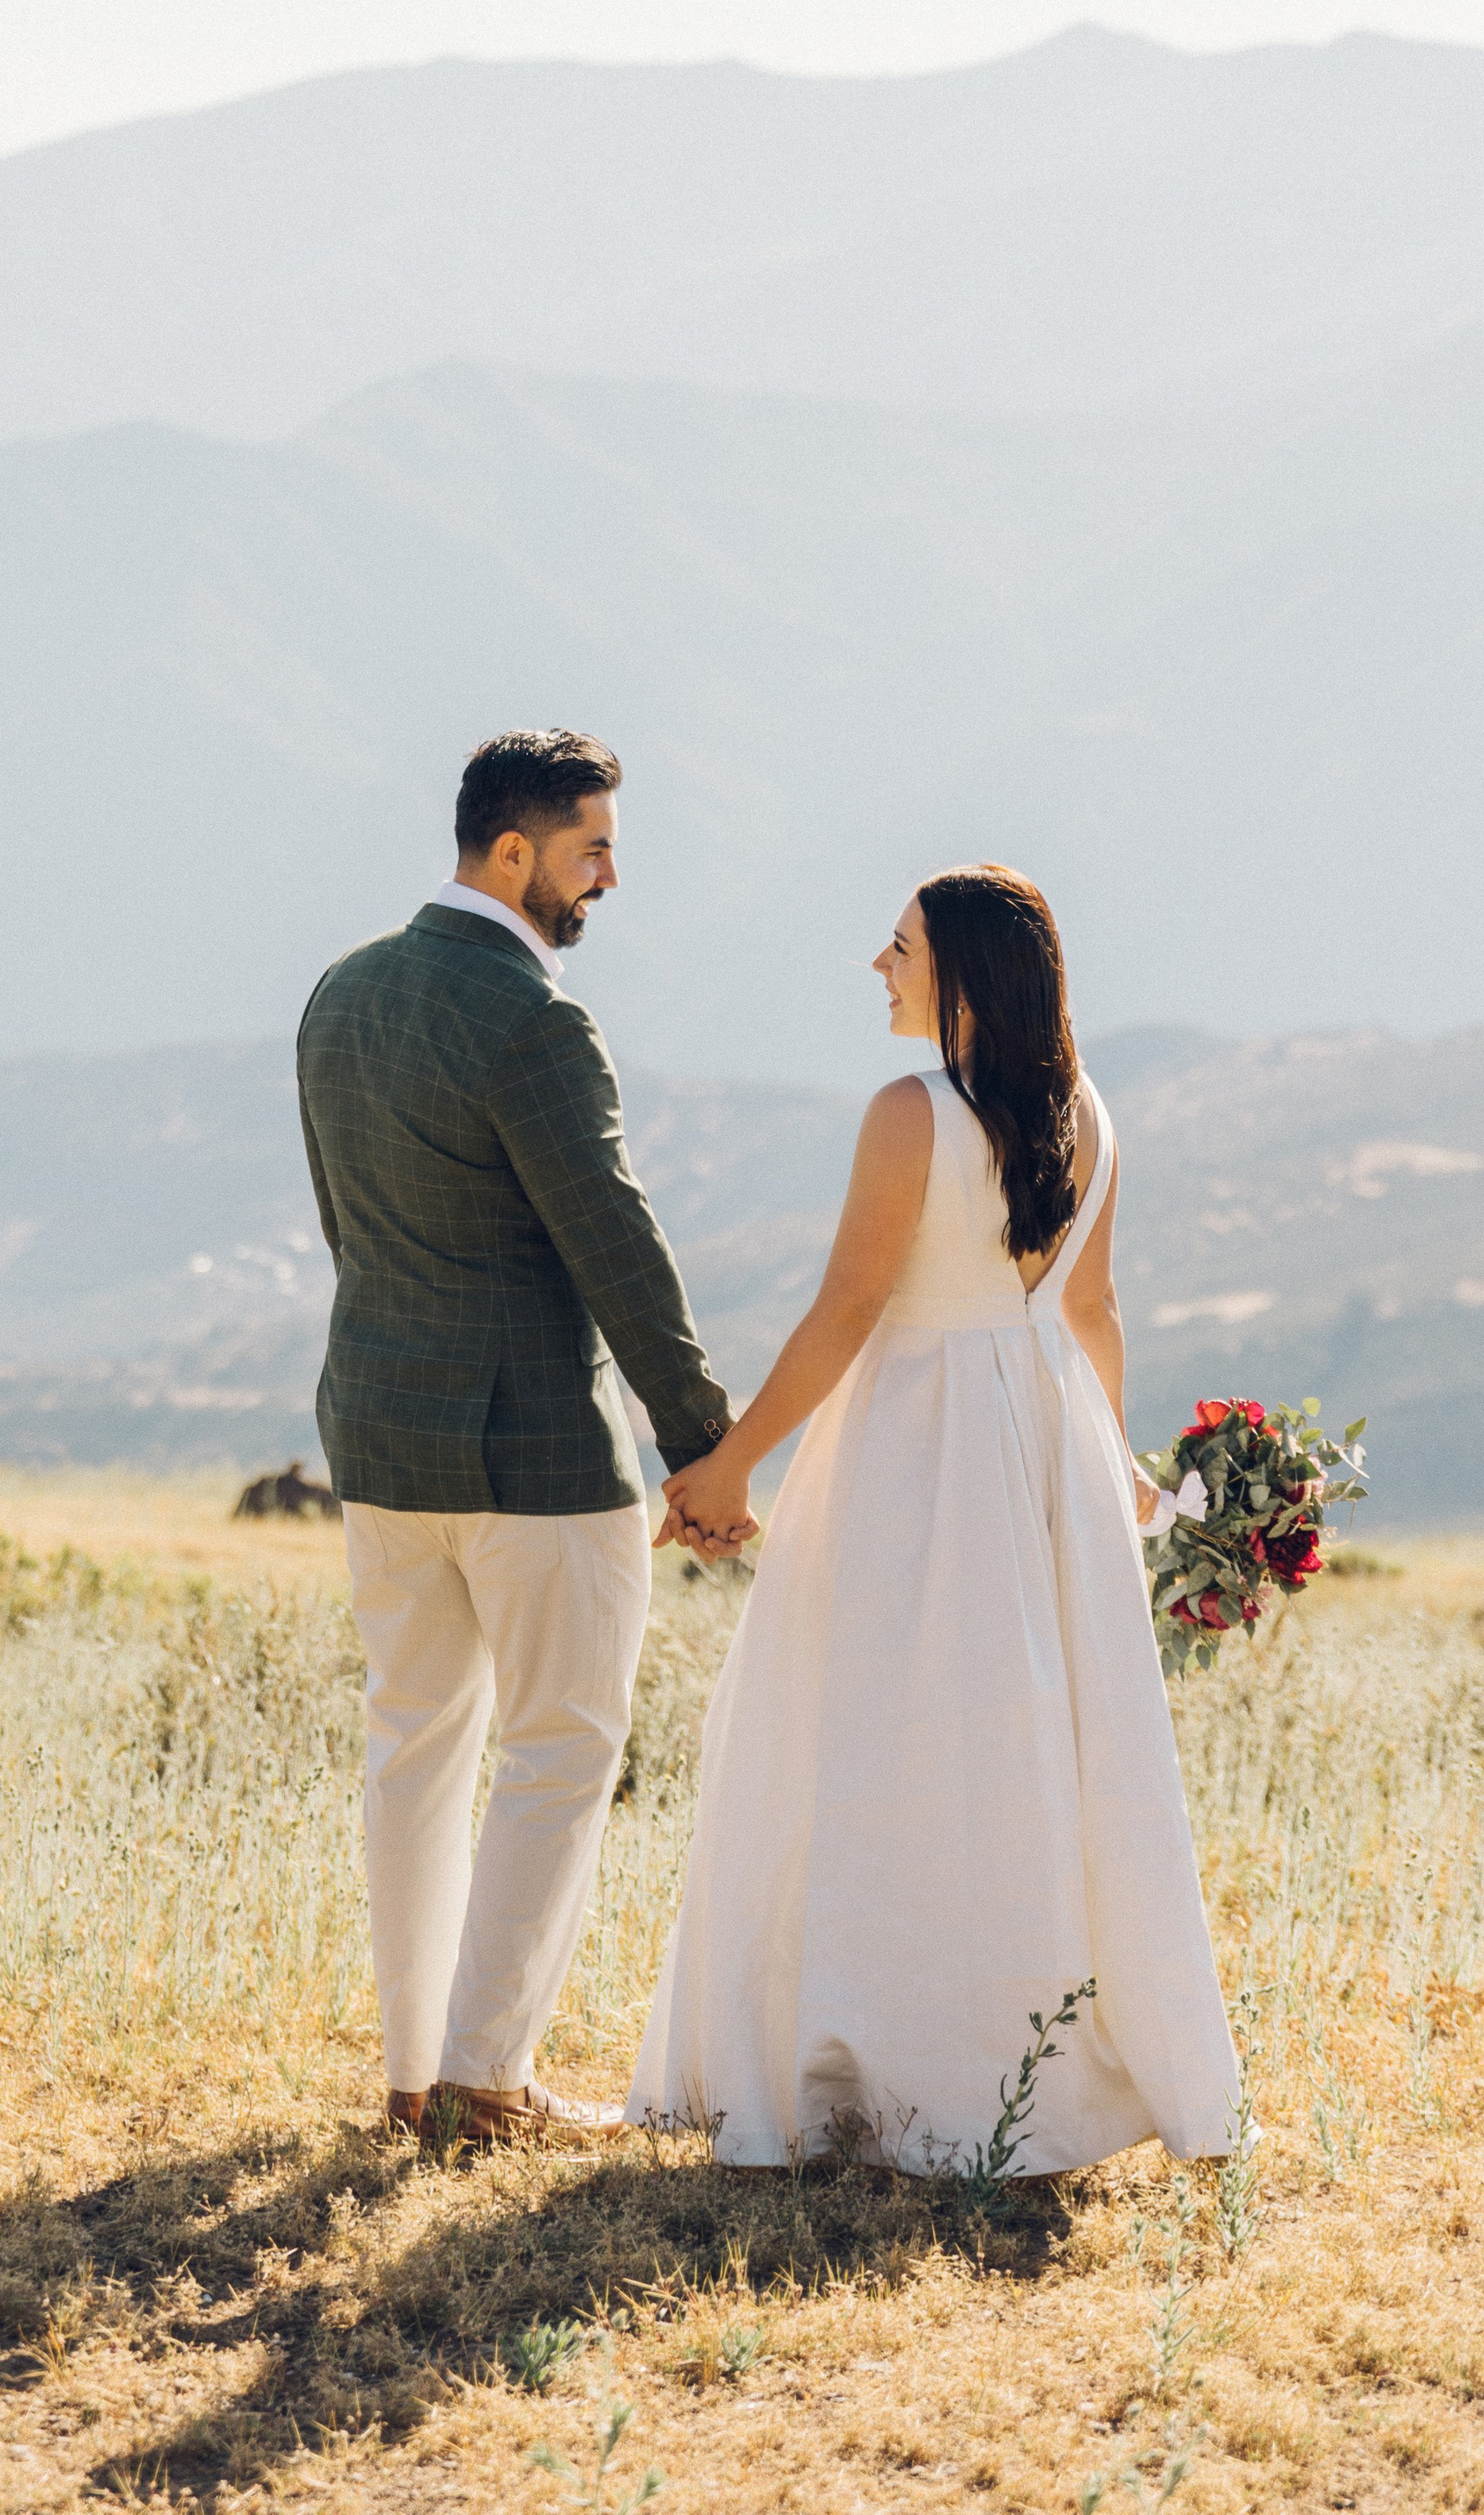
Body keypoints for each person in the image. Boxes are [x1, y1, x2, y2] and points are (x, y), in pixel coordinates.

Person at [629, 864, 1242, 2171]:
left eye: (899, 946)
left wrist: (731, 1464)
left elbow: (849, 1308)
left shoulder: (913, 1110)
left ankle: (877, 2065)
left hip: (918, 1447)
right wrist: (1118, 1470)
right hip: (1044, 1444)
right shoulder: (1093, 1117)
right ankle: (1021, 2070)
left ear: (961, 972)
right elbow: (1094, 1312)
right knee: (1031, 1752)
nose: (877, 965)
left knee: (869, 1740)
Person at [296, 728, 743, 2148]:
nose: (608, 876)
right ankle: (489, 2081)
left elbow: (345, 1226)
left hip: (378, 1434)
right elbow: (613, 1240)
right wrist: (703, 1447)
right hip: (538, 1454)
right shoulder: (530, 1017)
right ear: (512, 852)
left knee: (412, 1745)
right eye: (591, 847)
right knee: (561, 1747)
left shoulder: (341, 994)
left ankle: (413, 2072)